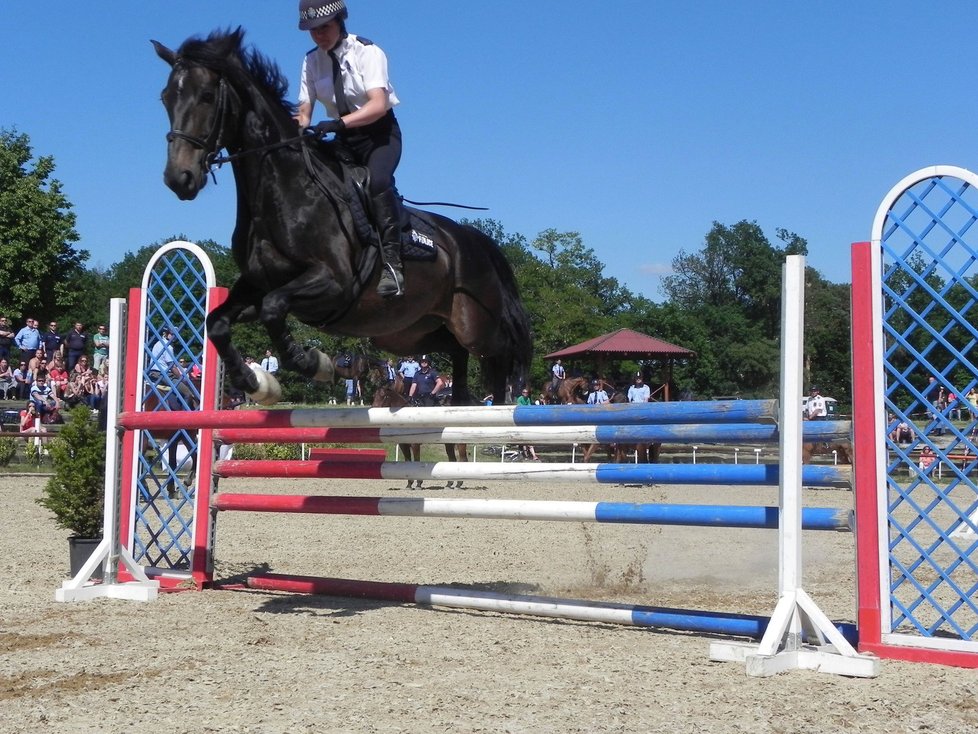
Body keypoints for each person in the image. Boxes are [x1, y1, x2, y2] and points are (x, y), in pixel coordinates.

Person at [295, 0, 407, 298]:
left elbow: (378, 104)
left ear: (340, 21)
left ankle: (393, 265)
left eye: (325, 27)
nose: (319, 35)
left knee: (378, 182)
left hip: (379, 136)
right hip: (343, 138)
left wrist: (339, 124)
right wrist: (295, 127)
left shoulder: (367, 52)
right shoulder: (310, 62)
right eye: (313, 31)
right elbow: (304, 110)